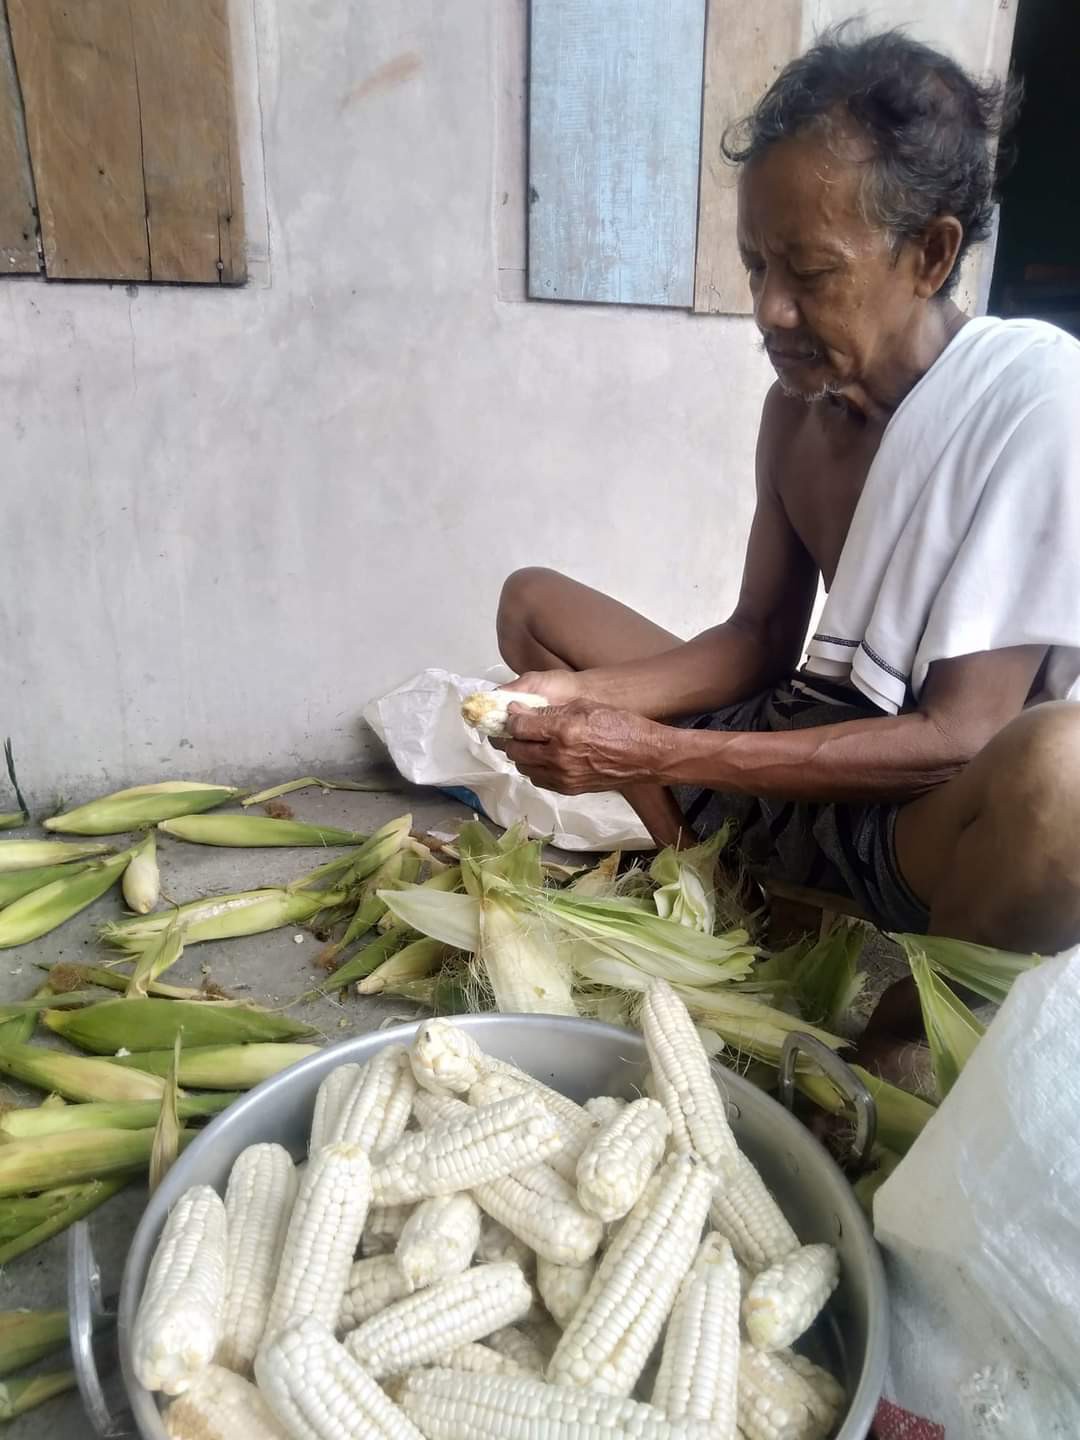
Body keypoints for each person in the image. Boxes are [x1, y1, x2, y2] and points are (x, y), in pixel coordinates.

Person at [494, 27, 1080, 1064]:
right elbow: (761, 637)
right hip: (804, 724)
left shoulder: (1032, 399)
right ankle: (712, 886)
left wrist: (662, 748)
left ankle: (893, 1037)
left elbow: (954, 737)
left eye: (809, 272)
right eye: (758, 265)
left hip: (926, 812)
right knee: (532, 604)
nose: (769, 310)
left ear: (931, 254)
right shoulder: (795, 413)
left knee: (1068, 780)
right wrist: (589, 709)